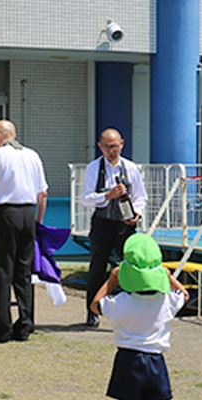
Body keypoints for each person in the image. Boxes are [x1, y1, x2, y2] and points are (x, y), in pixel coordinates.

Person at [91, 233, 188, 400]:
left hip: (128, 358)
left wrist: (111, 281)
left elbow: (95, 305)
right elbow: (184, 294)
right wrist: (169, 277)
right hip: (155, 360)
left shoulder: (122, 301)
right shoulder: (166, 300)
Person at [0, 119, 48, 343]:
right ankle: (25, 322)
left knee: (3, 269)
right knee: (23, 271)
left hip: (5, 213)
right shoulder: (32, 155)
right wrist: (38, 220)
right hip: (27, 212)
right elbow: (42, 192)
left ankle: (2, 326)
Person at [82, 128, 147, 327]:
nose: (113, 150)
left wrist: (137, 213)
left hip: (124, 225)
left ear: (122, 144)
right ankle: (92, 311)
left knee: (129, 266)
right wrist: (107, 196)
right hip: (102, 223)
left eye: (116, 146)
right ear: (100, 147)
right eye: (108, 147)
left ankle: (133, 310)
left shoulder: (130, 167)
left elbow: (140, 196)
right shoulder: (94, 168)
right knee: (97, 268)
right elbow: (86, 198)